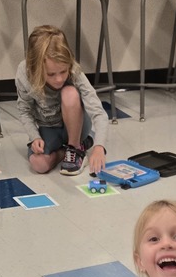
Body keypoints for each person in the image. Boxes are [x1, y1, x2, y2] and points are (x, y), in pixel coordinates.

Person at [15, 24, 109, 177]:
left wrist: (99, 147)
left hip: (77, 125)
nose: (59, 79)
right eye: (51, 74)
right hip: (48, 128)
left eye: (63, 71)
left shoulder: (74, 71)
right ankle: (68, 150)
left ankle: (75, 147)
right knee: (39, 164)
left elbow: (98, 112)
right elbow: (24, 110)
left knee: (69, 92)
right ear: (35, 67)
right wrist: (35, 137)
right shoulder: (24, 72)